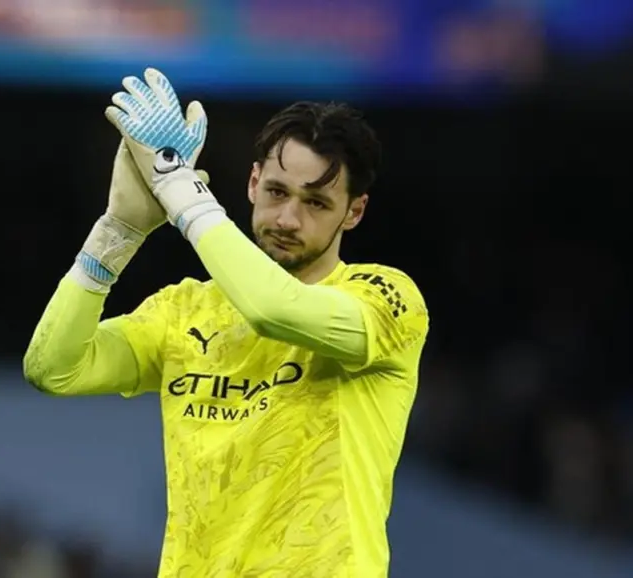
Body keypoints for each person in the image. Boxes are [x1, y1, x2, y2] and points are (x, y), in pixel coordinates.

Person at [24, 68, 429, 577]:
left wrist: (179, 187)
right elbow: (53, 367)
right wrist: (118, 231)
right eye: (277, 192)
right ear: (253, 182)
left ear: (354, 212)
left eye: (316, 203)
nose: (288, 219)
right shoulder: (184, 310)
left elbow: (273, 310)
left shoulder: (385, 300)